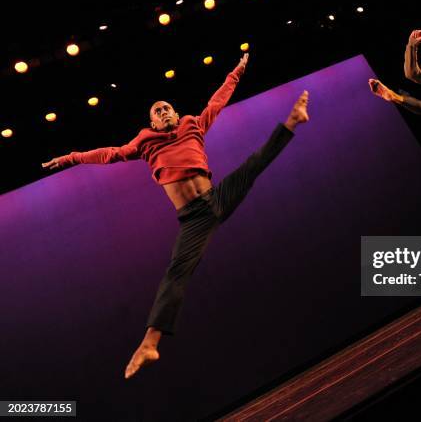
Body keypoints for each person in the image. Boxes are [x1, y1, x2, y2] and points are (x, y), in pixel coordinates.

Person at [42, 53, 310, 378]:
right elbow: (109, 153)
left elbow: (217, 102)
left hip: (217, 198)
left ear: (175, 113)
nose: (164, 112)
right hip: (194, 219)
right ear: (152, 123)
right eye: (157, 112)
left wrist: (236, 73)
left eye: (167, 107)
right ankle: (149, 343)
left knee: (254, 165)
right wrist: (71, 158)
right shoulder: (145, 142)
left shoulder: (193, 125)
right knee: (176, 274)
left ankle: (293, 119)